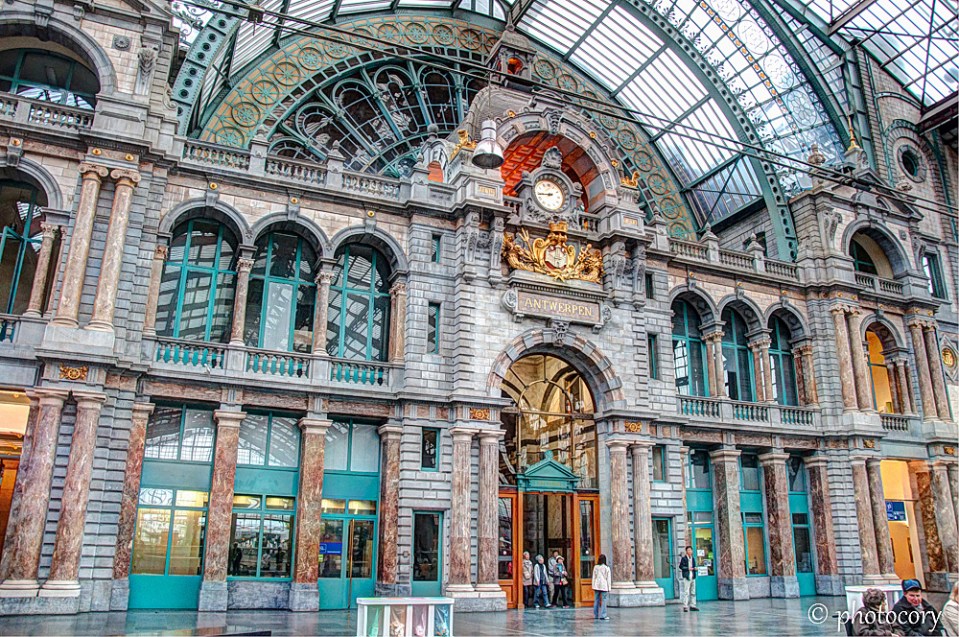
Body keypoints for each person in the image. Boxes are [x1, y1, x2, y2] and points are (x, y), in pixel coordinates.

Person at [679, 546, 699, 612]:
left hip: (692, 576)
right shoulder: (684, 559)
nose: (690, 551)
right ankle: (685, 606)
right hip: (687, 576)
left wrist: (695, 568)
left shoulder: (693, 558)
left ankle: (693, 605)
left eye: (691, 550)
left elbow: (694, 566)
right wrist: (688, 568)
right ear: (686, 551)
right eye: (688, 550)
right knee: (686, 591)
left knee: (693, 592)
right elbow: (681, 566)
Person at [592, 553, 611, 620]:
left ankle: (596, 615)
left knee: (596, 600)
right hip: (604, 586)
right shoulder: (606, 568)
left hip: (597, 585)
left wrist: (593, 585)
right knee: (604, 600)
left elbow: (594, 577)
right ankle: (603, 615)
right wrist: (609, 588)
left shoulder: (596, 567)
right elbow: (608, 578)